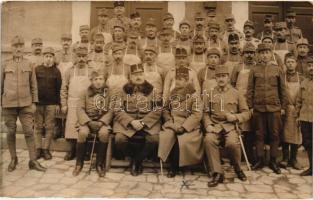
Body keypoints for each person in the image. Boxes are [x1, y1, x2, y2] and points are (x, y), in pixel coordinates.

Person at [1, 35, 46, 172]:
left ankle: (33, 160)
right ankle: (14, 158)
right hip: (9, 104)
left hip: (26, 104)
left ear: (24, 47)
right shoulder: (4, 64)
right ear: (11, 48)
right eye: (16, 46)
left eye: (20, 46)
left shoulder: (29, 64)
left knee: (29, 131)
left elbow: (34, 85)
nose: (18, 49)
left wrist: (34, 102)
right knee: (11, 131)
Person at [203, 64, 250, 187]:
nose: (221, 79)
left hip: (231, 126)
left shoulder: (236, 93)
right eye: (218, 76)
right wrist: (208, 125)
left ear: (228, 78)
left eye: (223, 76)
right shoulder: (210, 93)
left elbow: (247, 113)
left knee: (232, 143)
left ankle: (238, 168)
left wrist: (236, 117)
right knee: (208, 140)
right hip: (215, 126)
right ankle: (216, 172)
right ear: (215, 79)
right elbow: (205, 113)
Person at [247, 43, 289, 174]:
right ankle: (259, 160)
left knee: (275, 135)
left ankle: (273, 160)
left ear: (271, 54)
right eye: (262, 52)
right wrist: (250, 106)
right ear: (258, 54)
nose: (264, 55)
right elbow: (250, 89)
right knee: (259, 134)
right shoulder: (254, 70)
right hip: (259, 107)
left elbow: (283, 89)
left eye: (267, 52)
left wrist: (283, 107)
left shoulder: (277, 69)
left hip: (274, 107)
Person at [114, 63, 162, 176]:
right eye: (135, 75)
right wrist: (131, 121)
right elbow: (117, 109)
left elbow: (158, 109)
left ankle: (137, 160)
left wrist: (143, 122)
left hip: (147, 123)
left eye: (140, 74)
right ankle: (133, 157)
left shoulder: (152, 90)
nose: (138, 77)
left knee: (154, 139)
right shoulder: (124, 90)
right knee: (119, 140)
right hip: (129, 123)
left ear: (144, 75)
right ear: (130, 77)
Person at [158, 67, 203, 178]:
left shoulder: (194, 95)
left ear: (187, 80)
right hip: (173, 123)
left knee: (182, 139)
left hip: (189, 126)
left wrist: (184, 127)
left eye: (181, 79)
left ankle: (175, 167)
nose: (178, 81)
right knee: (167, 136)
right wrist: (169, 120)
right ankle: (170, 164)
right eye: (176, 78)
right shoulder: (172, 94)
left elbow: (196, 115)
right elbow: (165, 110)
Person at [73, 69, 112, 177]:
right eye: (95, 79)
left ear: (104, 80)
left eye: (101, 79)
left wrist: (101, 122)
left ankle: (99, 164)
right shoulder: (84, 93)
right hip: (87, 121)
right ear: (91, 80)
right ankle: (79, 163)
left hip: (102, 122)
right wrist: (89, 122)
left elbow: (111, 110)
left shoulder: (109, 93)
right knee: (82, 133)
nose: (98, 82)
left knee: (104, 134)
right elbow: (79, 109)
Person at [60, 46, 93, 161]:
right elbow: (64, 89)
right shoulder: (69, 71)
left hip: (87, 104)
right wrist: (64, 104)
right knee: (71, 127)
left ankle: (85, 151)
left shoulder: (91, 71)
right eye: (79, 56)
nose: (81, 59)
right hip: (72, 103)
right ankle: (71, 150)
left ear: (87, 57)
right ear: (75, 57)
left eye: (83, 56)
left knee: (85, 126)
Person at [230, 42, 256, 164]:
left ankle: (249, 154)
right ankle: (237, 155)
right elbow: (232, 84)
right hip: (239, 99)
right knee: (239, 128)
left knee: (250, 129)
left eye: (251, 53)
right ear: (243, 54)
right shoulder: (238, 67)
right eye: (247, 53)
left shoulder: (257, 67)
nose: (249, 55)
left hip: (252, 100)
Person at [34, 47, 62, 160]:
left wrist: (58, 104)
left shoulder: (56, 71)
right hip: (38, 104)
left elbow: (59, 89)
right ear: (43, 57)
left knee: (49, 127)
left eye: (50, 56)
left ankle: (46, 150)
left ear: (53, 58)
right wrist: (33, 102)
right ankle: (38, 149)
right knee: (38, 127)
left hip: (51, 104)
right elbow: (33, 86)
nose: (48, 59)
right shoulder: (37, 69)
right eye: (46, 56)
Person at [279, 53, 303, 170]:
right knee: (284, 134)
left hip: (297, 109)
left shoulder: (301, 77)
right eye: (288, 62)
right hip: (285, 109)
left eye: (292, 62)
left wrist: (299, 109)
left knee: (295, 135)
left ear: (296, 64)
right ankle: (284, 158)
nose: (290, 64)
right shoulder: (282, 77)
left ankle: (294, 159)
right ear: (285, 63)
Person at [295, 56, 313, 176]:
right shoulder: (304, 82)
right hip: (305, 118)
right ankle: (311, 168)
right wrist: (297, 115)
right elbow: (299, 101)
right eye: (309, 66)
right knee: (308, 143)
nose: (311, 68)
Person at [55, 33, 73, 139]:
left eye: (68, 40)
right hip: (58, 83)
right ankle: (57, 127)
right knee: (58, 106)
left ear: (71, 42)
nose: (66, 43)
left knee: (68, 107)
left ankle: (66, 128)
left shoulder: (74, 55)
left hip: (69, 84)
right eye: (64, 40)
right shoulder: (57, 55)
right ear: (61, 42)